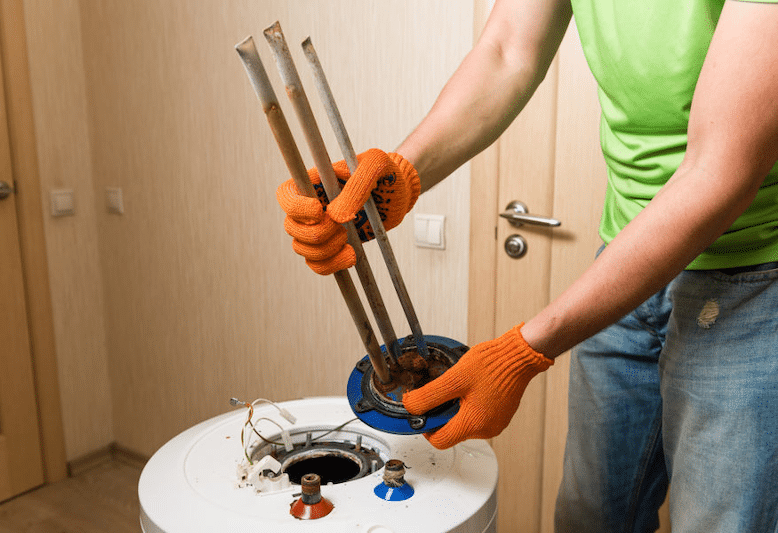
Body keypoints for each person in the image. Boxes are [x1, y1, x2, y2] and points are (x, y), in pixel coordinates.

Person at [276, 0, 778, 530]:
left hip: (754, 277)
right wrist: (402, 174)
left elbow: (717, 170)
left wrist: (521, 352)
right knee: (590, 518)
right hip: (628, 252)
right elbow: (506, 50)